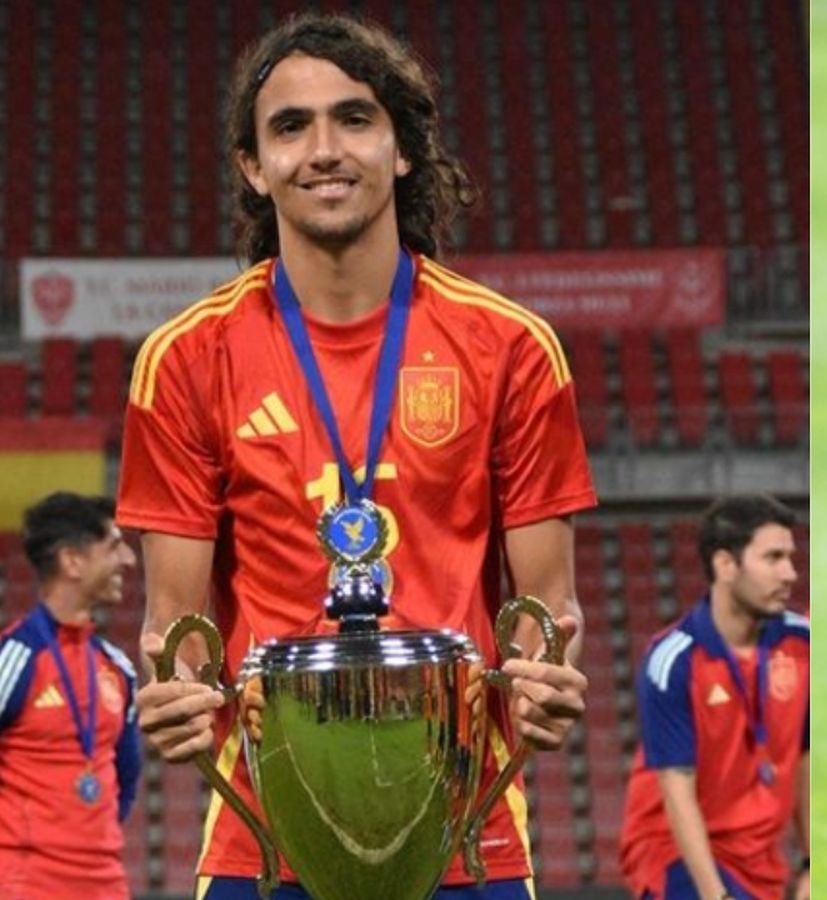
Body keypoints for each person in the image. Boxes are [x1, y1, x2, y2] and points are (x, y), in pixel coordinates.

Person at [117, 14, 597, 900]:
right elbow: (176, 627)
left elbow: (546, 607)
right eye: (290, 127)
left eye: (355, 118)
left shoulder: (511, 347)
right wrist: (178, 697)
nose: (324, 149)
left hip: (468, 838)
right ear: (253, 168)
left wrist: (543, 680)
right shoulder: (186, 358)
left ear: (404, 149)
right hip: (263, 844)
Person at [619, 496, 810, 900]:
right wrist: (715, 895)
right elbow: (676, 789)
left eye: (790, 558)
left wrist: (813, 864)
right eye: (773, 558)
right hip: (677, 855)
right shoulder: (673, 659)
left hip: (760, 861)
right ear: (725, 565)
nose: (790, 573)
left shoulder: (803, 643)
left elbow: (806, 756)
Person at [0, 492, 141, 900]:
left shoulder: (118, 670)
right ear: (72, 561)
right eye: (114, 546)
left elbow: (125, 781)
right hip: (25, 884)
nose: (129, 561)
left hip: (106, 884)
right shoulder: (15, 659)